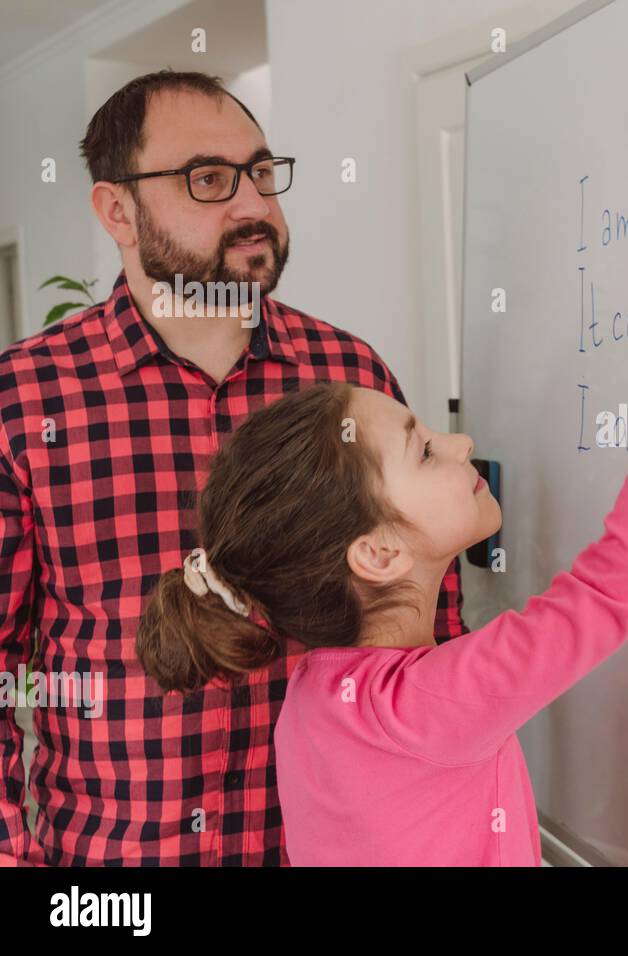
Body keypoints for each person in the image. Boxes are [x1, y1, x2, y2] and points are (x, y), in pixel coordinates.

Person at [133, 163, 628, 864]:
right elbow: (627, 576)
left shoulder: (313, 703)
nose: (462, 443)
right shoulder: (425, 710)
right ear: (376, 553)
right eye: (424, 450)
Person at [0, 70, 465, 866]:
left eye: (260, 172)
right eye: (208, 179)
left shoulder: (349, 378)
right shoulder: (24, 398)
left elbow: (431, 637)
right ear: (117, 210)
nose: (253, 205)